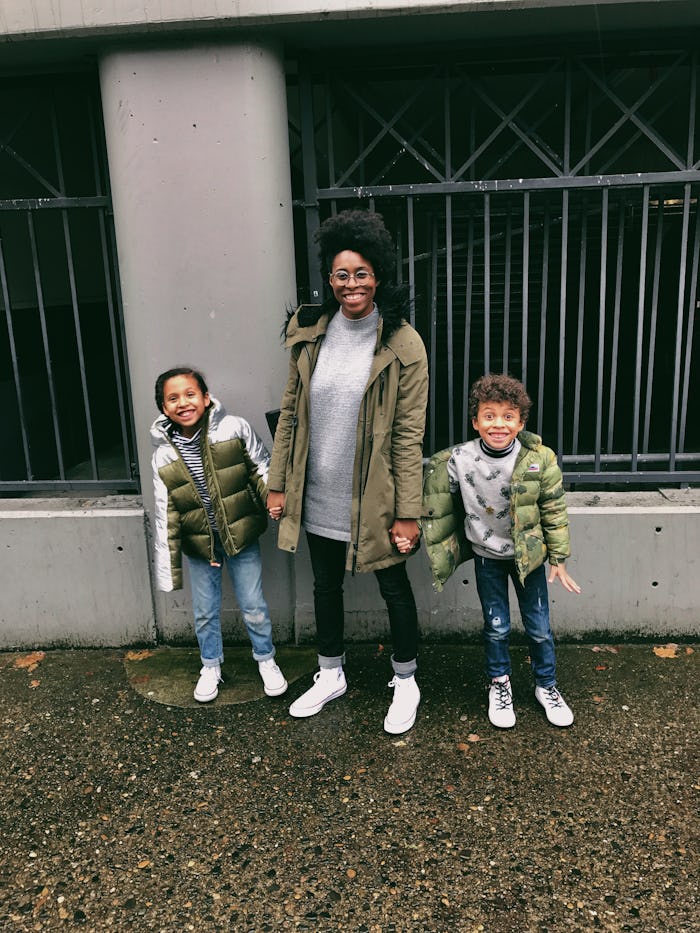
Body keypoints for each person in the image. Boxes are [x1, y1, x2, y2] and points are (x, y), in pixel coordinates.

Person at [267, 209, 428, 734]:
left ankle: (405, 680)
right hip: (317, 492)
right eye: (341, 274)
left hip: (376, 498)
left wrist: (408, 512)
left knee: (395, 590)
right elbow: (291, 413)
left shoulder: (402, 344)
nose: (351, 284)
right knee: (325, 587)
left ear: (377, 275)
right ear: (329, 279)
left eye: (361, 273)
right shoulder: (309, 332)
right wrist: (278, 484)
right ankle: (330, 672)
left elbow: (408, 435)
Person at [422, 374, 581, 729]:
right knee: (496, 627)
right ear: (475, 421)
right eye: (489, 415)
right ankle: (500, 684)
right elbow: (435, 505)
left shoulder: (539, 459)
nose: (499, 424)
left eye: (509, 416)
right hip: (486, 557)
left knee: (539, 628)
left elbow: (554, 509)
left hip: (530, 559)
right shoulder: (457, 460)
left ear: (521, 422)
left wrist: (558, 558)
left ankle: (546, 686)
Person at [151, 367, 288, 703]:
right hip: (201, 546)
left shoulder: (234, 428)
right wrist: (169, 568)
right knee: (205, 611)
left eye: (190, 394)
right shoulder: (163, 456)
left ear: (206, 397)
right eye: (173, 398)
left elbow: (260, 467)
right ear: (165, 409)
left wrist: (273, 500)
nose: (183, 403)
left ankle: (266, 659)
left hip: (240, 537)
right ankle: (210, 665)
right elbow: (164, 513)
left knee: (253, 604)